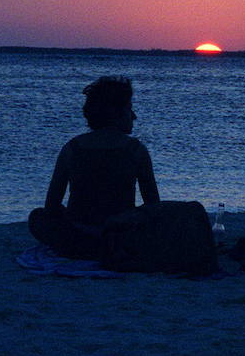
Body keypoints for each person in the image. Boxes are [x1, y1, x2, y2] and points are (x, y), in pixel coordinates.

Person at [28, 76, 160, 259]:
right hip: (118, 236)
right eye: (130, 109)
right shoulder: (136, 150)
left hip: (78, 237)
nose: (134, 115)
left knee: (37, 217)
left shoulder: (72, 148)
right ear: (117, 112)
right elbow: (153, 205)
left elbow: (51, 205)